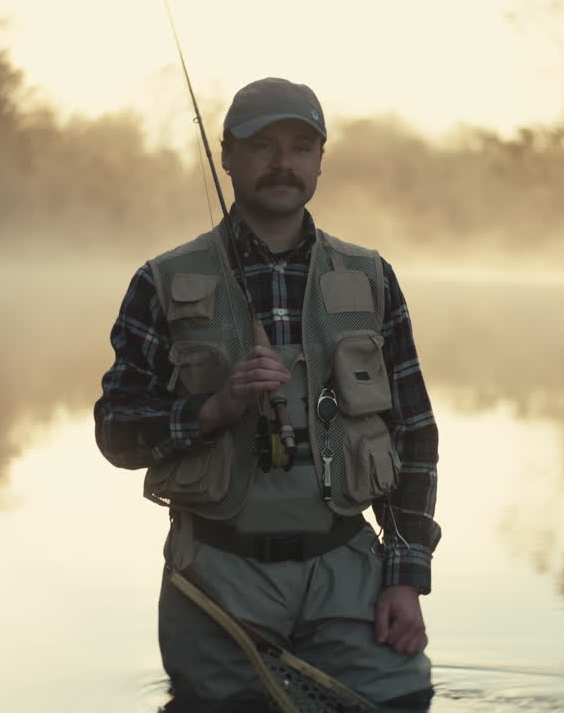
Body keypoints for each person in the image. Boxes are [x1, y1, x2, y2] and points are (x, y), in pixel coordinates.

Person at [94, 77, 440, 711]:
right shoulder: (161, 281)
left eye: (301, 146)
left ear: (320, 160)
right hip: (216, 576)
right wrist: (212, 410)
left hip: (347, 568)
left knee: (403, 699)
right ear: (226, 154)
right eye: (263, 145)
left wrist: (405, 578)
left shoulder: (370, 277)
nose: (284, 163)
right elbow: (116, 429)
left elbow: (414, 433)